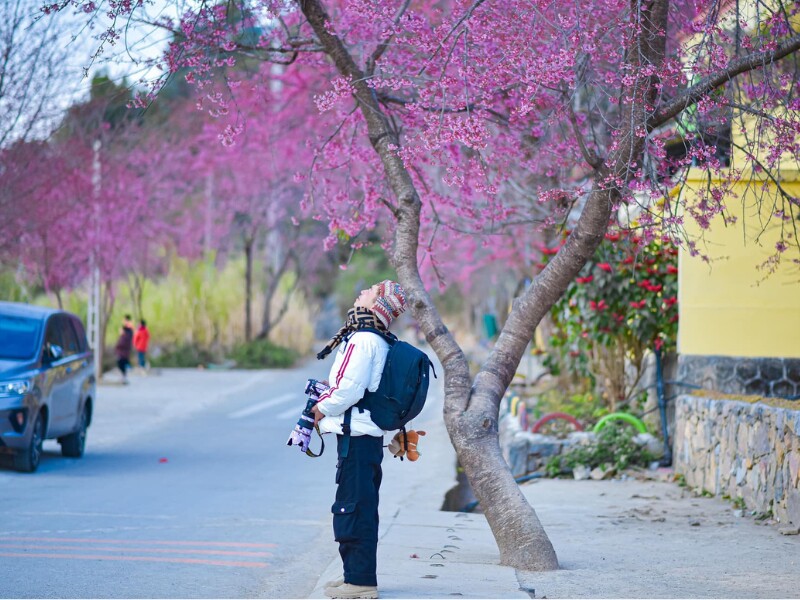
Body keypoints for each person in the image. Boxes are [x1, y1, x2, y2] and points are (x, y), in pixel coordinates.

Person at [311, 280, 407, 600]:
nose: (360, 293)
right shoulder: (373, 338)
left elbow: (349, 391)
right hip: (364, 435)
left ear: (376, 305)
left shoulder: (364, 339)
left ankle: (361, 582)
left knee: (353, 507)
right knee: (358, 504)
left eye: (368, 292)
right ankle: (355, 574)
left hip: (358, 435)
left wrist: (320, 408)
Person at [114, 316, 134, 384]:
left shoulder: (126, 334)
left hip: (123, 352)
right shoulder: (127, 334)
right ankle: (125, 375)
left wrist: (117, 347)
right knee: (123, 363)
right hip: (125, 352)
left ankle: (125, 374)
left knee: (121, 363)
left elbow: (121, 344)